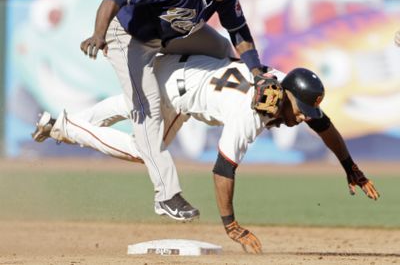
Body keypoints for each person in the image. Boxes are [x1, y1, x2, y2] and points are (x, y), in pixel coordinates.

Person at [32, 54, 380, 254]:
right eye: (300, 109)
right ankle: (64, 127)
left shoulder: (282, 82)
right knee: (146, 151)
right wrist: (231, 225)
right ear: (286, 94)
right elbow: (222, 169)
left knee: (122, 108)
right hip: (173, 97)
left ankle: (59, 125)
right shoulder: (252, 113)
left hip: (174, 69)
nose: (303, 115)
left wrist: (350, 166)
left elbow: (324, 125)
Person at [79, 0, 265, 222]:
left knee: (224, 50)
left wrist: (257, 73)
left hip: (171, 35)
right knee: (147, 113)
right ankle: (166, 195)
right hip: (128, 38)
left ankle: (180, 96)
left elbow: (240, 31)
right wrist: (98, 33)